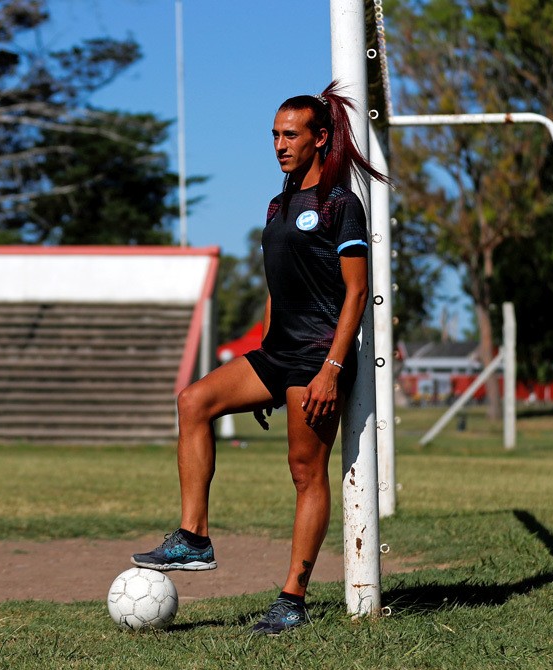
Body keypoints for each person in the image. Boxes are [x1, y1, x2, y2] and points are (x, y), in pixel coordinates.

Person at [131, 81, 387, 635]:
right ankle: (194, 538)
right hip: (277, 354)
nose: (279, 145)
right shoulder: (278, 203)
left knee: (305, 472)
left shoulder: (341, 205)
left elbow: (357, 293)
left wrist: (331, 370)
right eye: (274, 135)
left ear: (321, 138)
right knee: (193, 401)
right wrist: (264, 367)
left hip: (319, 358)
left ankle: (292, 600)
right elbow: (278, 287)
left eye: (290, 135)